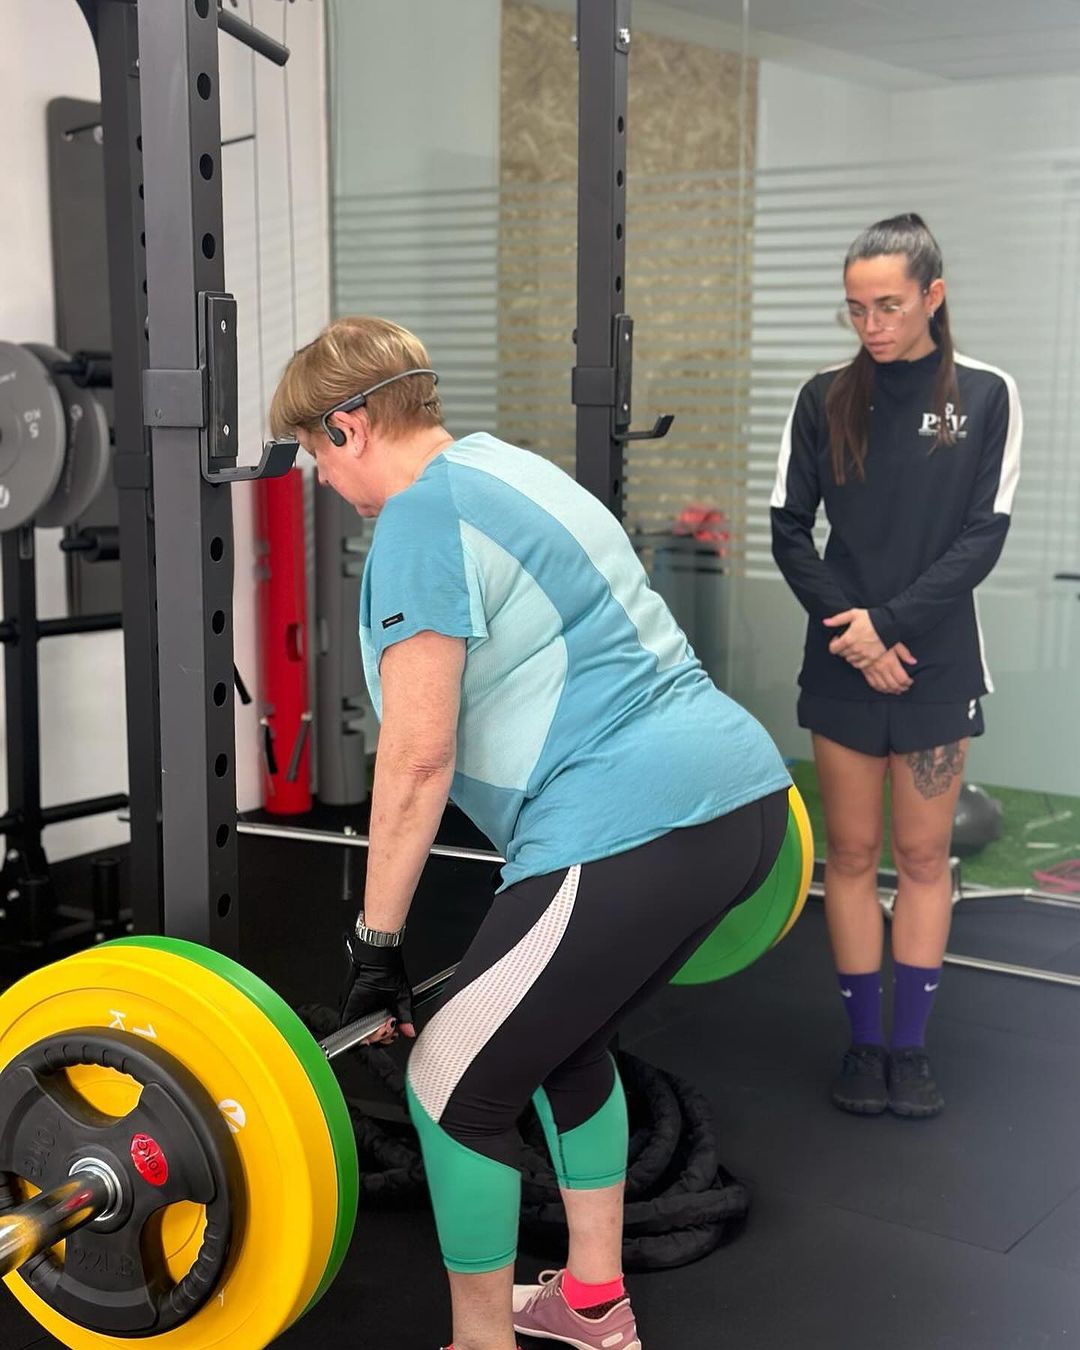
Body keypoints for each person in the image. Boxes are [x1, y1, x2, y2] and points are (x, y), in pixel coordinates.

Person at [270, 316, 793, 1350]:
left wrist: (375, 946)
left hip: (628, 825)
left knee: (447, 1084)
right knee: (566, 1042)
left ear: (350, 425)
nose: (316, 479)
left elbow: (418, 760)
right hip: (745, 807)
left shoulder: (420, 520)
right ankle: (592, 1305)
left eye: (310, 453)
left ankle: (480, 1341)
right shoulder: (511, 468)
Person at [770, 213, 1022, 1119]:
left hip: (935, 660)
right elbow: (788, 527)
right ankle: (861, 1042)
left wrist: (892, 628)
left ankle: (908, 1050)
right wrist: (857, 631)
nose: (871, 324)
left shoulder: (988, 395)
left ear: (932, 296)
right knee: (849, 854)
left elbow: (983, 535)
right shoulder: (822, 397)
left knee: (921, 857)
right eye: (855, 309)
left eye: (887, 305)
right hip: (842, 657)